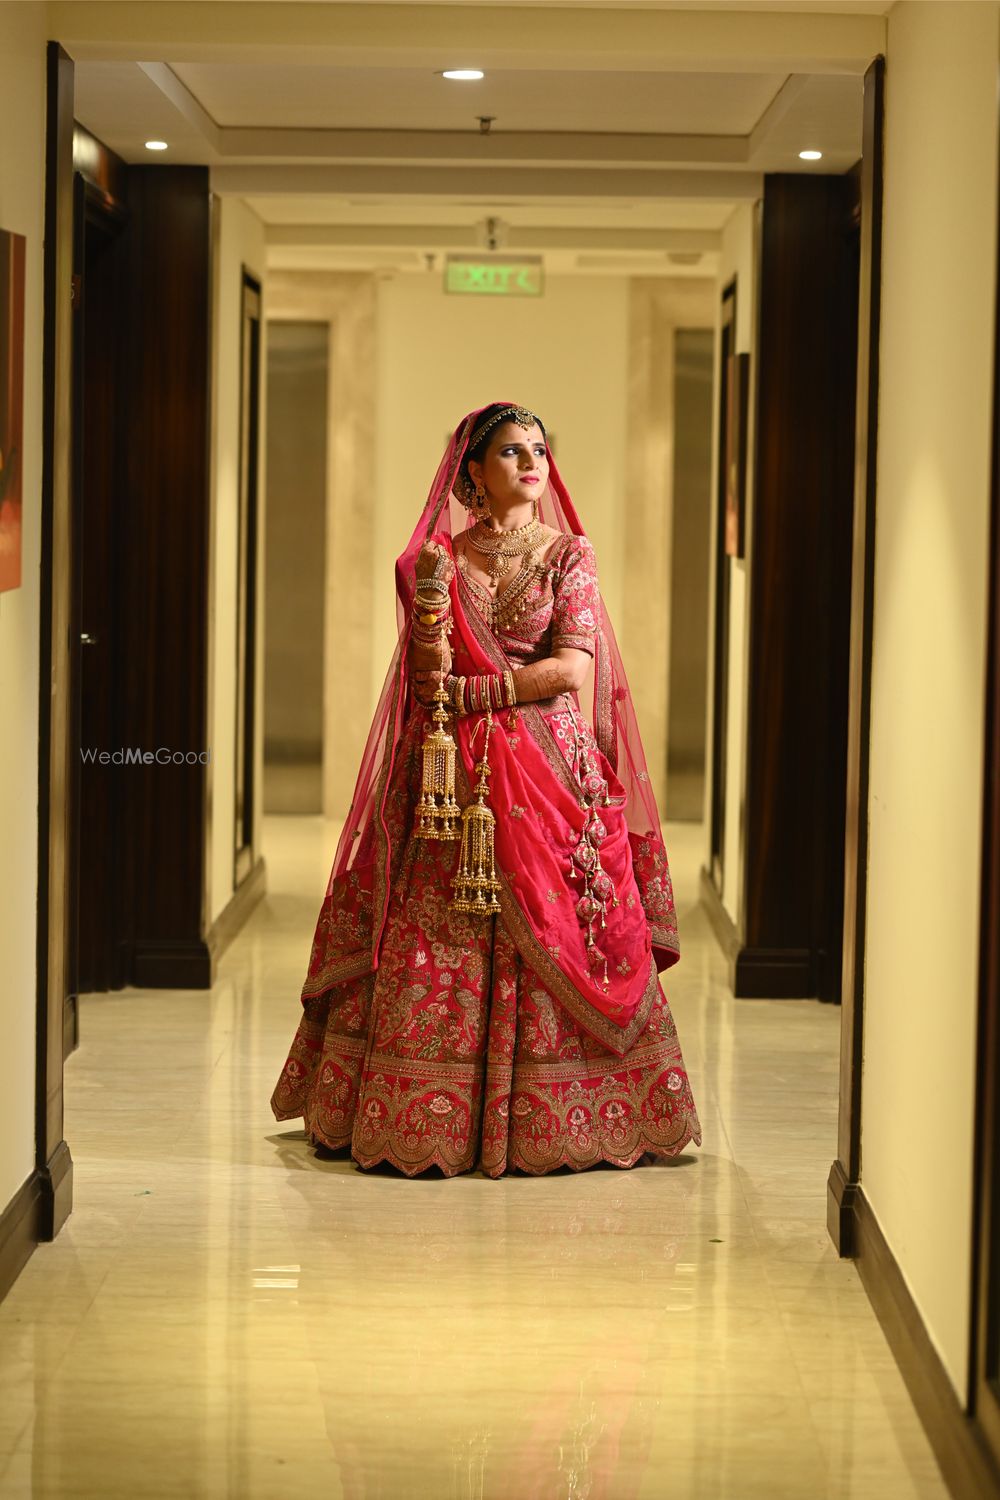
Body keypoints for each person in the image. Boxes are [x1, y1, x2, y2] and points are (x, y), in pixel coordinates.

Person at [270, 401, 701, 1176]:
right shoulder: (438, 560)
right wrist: (433, 640)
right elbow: (423, 677)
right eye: (511, 451)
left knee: (560, 915)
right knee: (434, 919)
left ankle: (562, 1119)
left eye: (539, 450)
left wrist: (477, 694)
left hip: (547, 769)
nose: (532, 463)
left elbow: (572, 671)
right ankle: (418, 1110)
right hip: (447, 773)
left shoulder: (569, 555)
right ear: (473, 469)